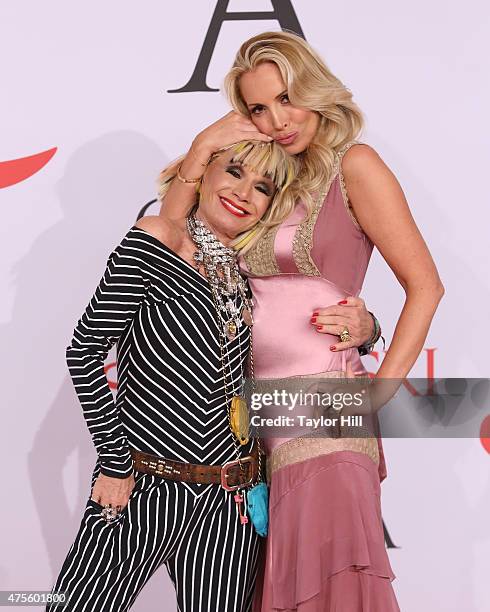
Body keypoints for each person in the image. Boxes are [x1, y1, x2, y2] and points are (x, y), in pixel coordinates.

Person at [158, 31, 444, 612]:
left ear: (314, 88)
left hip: (326, 416)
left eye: (286, 98)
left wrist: (377, 390)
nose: (277, 120)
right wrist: (203, 146)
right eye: (258, 108)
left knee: (332, 584)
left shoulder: (355, 166)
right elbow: (166, 243)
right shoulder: (259, 181)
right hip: (252, 427)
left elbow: (427, 286)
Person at [47, 140, 299, 612]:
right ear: (202, 172)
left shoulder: (249, 275)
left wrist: (368, 329)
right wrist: (115, 464)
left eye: (262, 187)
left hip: (230, 506)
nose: (244, 193)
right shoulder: (157, 238)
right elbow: (84, 350)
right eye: (234, 171)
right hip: (142, 487)